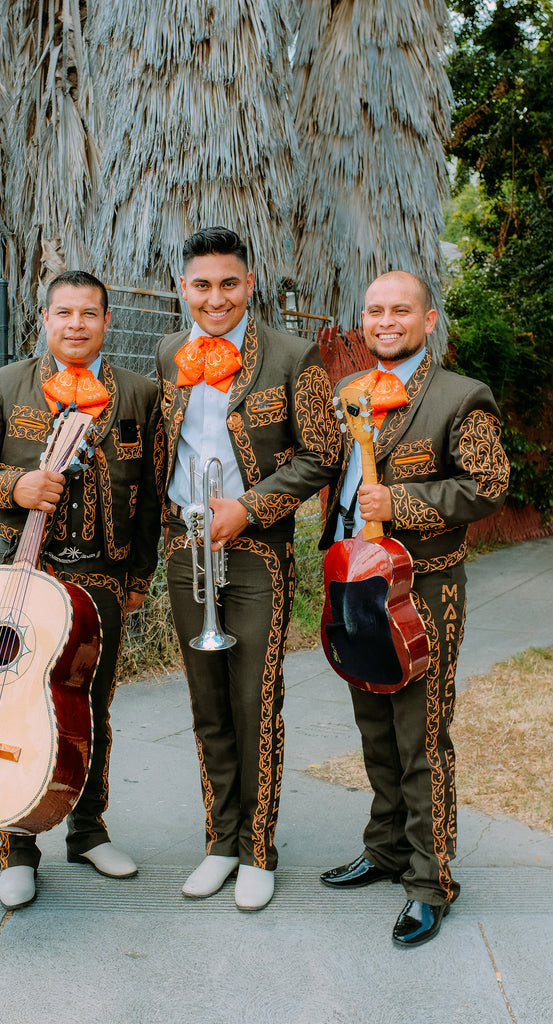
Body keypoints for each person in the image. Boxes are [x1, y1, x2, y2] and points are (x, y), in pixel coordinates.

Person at [0, 270, 163, 909]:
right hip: (22, 575)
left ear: (105, 321)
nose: (76, 324)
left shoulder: (140, 395)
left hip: (101, 578)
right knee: (15, 703)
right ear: (44, 319)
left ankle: (88, 829)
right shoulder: (4, 384)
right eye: (64, 312)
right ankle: (16, 844)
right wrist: (14, 488)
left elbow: (151, 493)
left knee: (90, 706)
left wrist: (140, 576)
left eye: (89, 314)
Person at [318, 270, 509, 946]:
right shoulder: (347, 393)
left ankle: (430, 882)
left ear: (427, 321)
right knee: (373, 724)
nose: (386, 320)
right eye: (375, 311)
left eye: (401, 310)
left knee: (420, 736)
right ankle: (386, 849)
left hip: (422, 586)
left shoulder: (461, 397)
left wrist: (400, 504)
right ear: (362, 322)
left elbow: (487, 484)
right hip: (353, 580)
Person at [156, 226, 341, 911]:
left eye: (228, 284)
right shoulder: (167, 350)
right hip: (185, 546)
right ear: (184, 288)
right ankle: (219, 842)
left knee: (253, 702)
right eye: (201, 285)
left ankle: (259, 848)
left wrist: (251, 507)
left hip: (256, 546)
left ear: (249, 284)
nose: (214, 298)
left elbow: (320, 453)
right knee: (206, 705)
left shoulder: (293, 355)